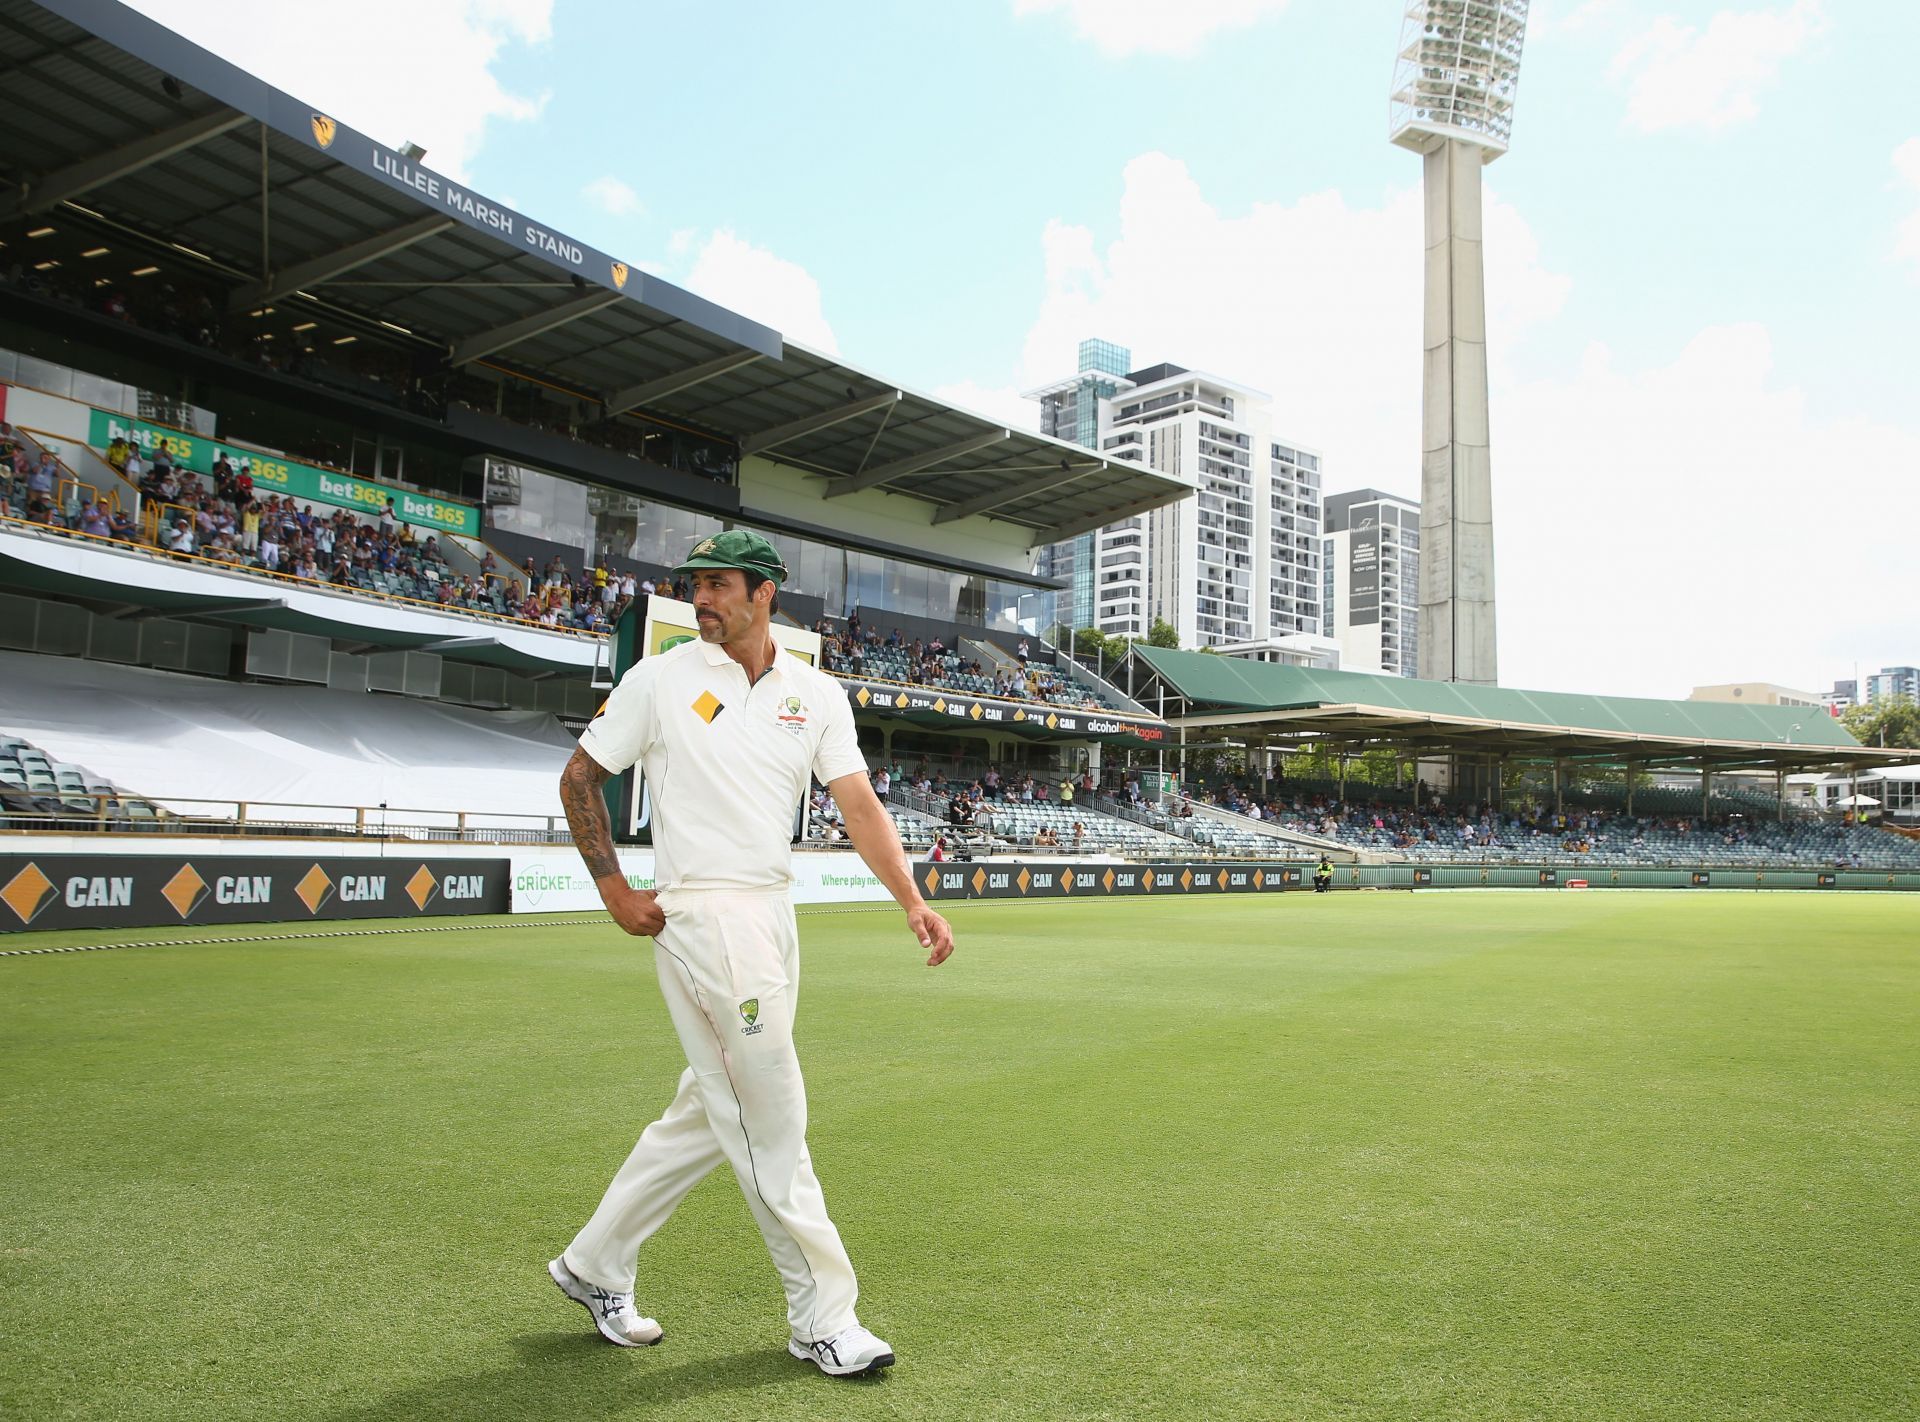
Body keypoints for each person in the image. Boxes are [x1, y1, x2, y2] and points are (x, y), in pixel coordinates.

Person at [549, 528, 953, 1378]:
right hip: (702, 918)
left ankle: (592, 1265)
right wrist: (615, 891)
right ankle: (822, 1318)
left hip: (773, 915)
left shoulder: (817, 694)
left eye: (720, 585)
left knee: (711, 1106)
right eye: (696, 585)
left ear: (766, 591)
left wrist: (911, 899)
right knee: (773, 1119)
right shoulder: (658, 680)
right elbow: (581, 777)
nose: (703, 598)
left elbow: (860, 805)